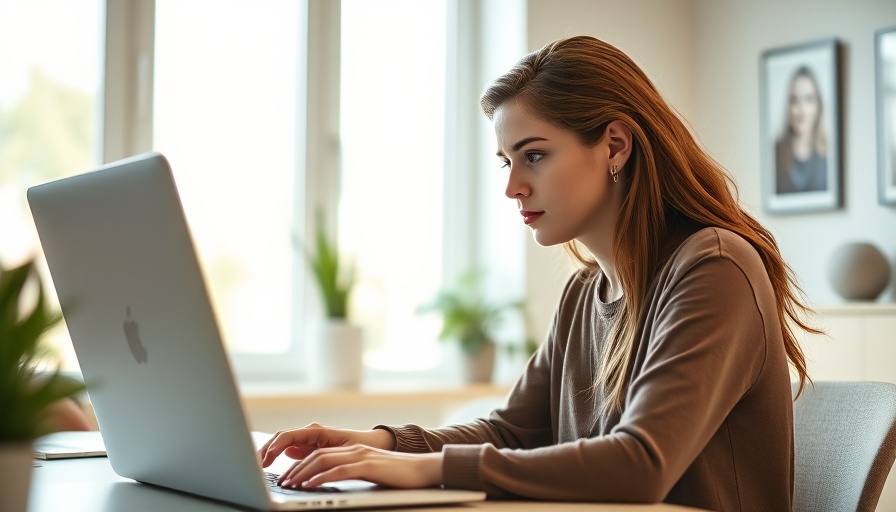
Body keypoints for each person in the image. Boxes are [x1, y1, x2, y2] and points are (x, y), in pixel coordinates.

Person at [259, 35, 819, 511]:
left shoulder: (713, 267)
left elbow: (642, 464)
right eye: (507, 161)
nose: (512, 187)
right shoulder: (584, 294)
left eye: (535, 155)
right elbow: (510, 433)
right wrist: (378, 445)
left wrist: (428, 471)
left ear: (615, 146)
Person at [775, 65, 828, 194]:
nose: (801, 111)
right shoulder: (776, 152)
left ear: (818, 106)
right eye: (794, 100)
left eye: (808, 99)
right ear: (788, 107)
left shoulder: (827, 154)